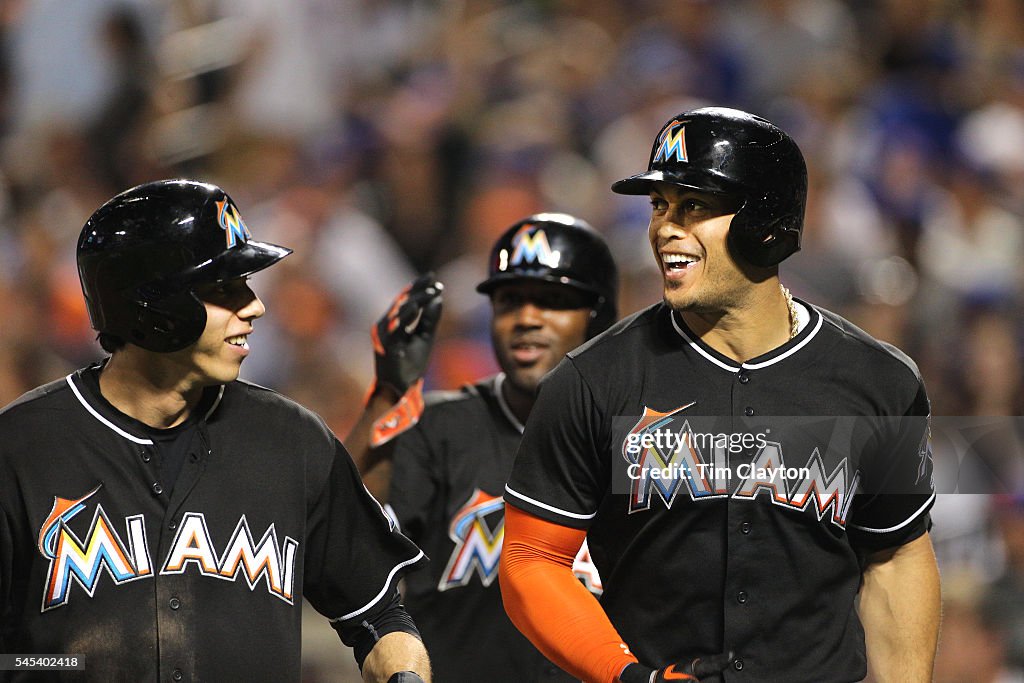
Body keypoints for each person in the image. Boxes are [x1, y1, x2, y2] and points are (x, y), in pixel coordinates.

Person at [499, 108, 941, 683]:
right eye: (660, 206)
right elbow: (532, 560)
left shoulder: (878, 381)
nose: (664, 229)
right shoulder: (595, 380)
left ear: (766, 223)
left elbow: (896, 556)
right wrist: (628, 676)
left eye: (695, 207)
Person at [0, 180, 431, 683]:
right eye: (225, 290)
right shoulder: (23, 448)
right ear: (153, 306)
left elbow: (379, 620)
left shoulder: (291, 439)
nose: (255, 306)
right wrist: (63, 667)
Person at [351, 213, 618, 681]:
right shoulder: (439, 427)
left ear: (599, 317)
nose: (527, 319)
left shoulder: (643, 434)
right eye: (510, 301)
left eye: (552, 302)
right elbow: (343, 531)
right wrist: (389, 392)